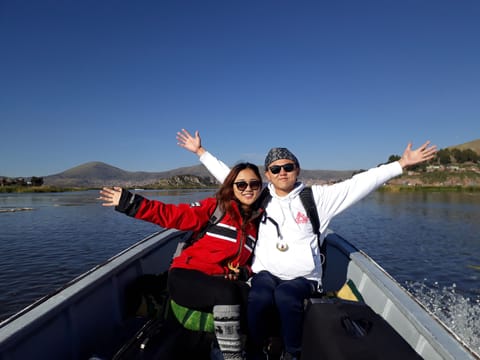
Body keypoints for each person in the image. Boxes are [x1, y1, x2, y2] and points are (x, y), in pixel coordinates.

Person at [176, 128, 438, 360]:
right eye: (275, 169)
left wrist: (401, 164)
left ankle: (293, 350)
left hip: (304, 277)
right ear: (267, 174)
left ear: (297, 169)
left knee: (287, 296)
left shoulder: (318, 199)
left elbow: (359, 183)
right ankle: (256, 349)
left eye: (288, 167)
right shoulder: (260, 196)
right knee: (259, 296)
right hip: (265, 273)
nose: (282, 172)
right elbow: (230, 176)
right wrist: (201, 152)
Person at [98, 162, 264, 360]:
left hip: (217, 281)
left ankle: (256, 350)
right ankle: (229, 355)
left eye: (253, 184)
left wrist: (243, 271)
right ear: (232, 187)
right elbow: (172, 214)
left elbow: (252, 262)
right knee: (227, 292)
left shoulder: (256, 225)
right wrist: (130, 203)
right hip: (186, 277)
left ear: (260, 187)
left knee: (255, 298)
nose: (248, 189)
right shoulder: (216, 208)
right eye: (241, 184)